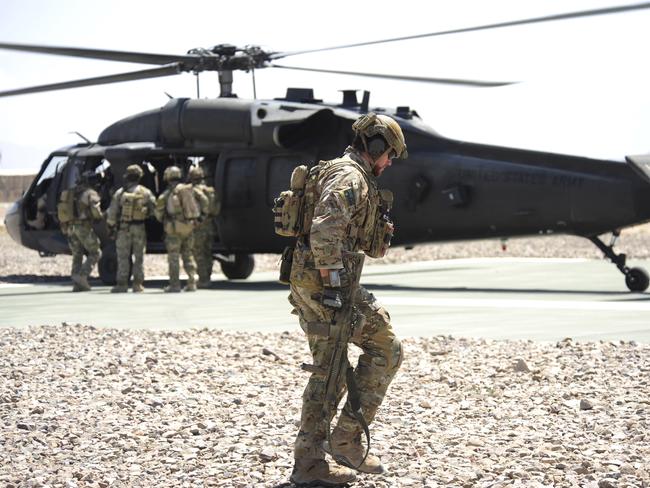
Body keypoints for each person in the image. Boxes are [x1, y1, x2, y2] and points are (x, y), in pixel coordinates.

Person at [285, 113, 407, 486]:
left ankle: (340, 444)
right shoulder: (350, 176)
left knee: (352, 359)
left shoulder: (351, 174)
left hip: (324, 281)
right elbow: (325, 229)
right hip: (327, 284)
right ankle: (318, 457)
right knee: (340, 367)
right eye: (389, 155)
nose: (388, 164)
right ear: (376, 147)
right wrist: (334, 285)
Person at [154, 165, 208, 292]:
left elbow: (158, 214)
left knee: (173, 257)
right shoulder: (190, 190)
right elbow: (205, 203)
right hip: (189, 227)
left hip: (173, 229)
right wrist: (200, 219)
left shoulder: (166, 195)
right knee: (188, 255)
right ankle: (191, 282)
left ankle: (174, 285)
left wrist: (165, 221)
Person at [106, 164, 156, 293]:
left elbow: (112, 213)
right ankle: (138, 284)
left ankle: (122, 284)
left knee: (123, 257)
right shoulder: (145, 192)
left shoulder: (120, 193)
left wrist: (111, 227)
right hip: (139, 227)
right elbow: (154, 210)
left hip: (124, 228)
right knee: (139, 257)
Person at [58, 170, 103, 292]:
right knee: (96, 252)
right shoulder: (90, 193)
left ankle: (77, 283)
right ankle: (82, 276)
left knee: (77, 255)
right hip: (83, 227)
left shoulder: (72, 192)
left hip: (71, 228)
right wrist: (101, 217)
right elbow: (95, 210)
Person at [188, 165, 221, 288]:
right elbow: (217, 209)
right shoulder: (210, 190)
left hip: (198, 225)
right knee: (208, 252)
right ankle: (207, 276)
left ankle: (203, 279)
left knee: (199, 253)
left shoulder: (193, 191)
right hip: (210, 225)